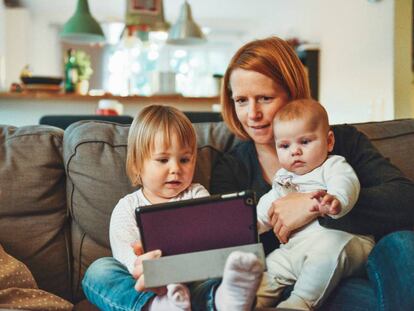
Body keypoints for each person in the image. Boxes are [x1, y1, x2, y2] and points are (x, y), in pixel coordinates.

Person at [211, 36, 414, 310]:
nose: (253, 114)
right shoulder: (231, 167)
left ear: (292, 94)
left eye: (265, 98)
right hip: (285, 278)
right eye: (241, 101)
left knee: (403, 243)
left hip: (352, 263)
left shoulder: (341, 142)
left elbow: (405, 200)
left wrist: (314, 204)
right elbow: (228, 243)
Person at [82, 105, 264, 311]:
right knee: (99, 271)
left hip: (193, 279)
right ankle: (158, 306)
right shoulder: (127, 207)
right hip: (148, 285)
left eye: (185, 159)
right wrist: (146, 267)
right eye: (162, 160)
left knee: (218, 275)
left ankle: (225, 300)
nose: (176, 169)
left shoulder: (196, 194)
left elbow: (212, 238)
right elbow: (125, 258)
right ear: (136, 165)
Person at [255, 99, 374, 310]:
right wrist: (253, 224)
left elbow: (345, 182)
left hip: (343, 242)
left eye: (305, 142)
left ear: (328, 142)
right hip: (294, 249)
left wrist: (336, 199)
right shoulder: (284, 177)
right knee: (271, 266)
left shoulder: (332, 165)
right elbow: (270, 204)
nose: (295, 151)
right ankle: (250, 302)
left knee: (325, 253)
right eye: (285, 146)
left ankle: (299, 303)